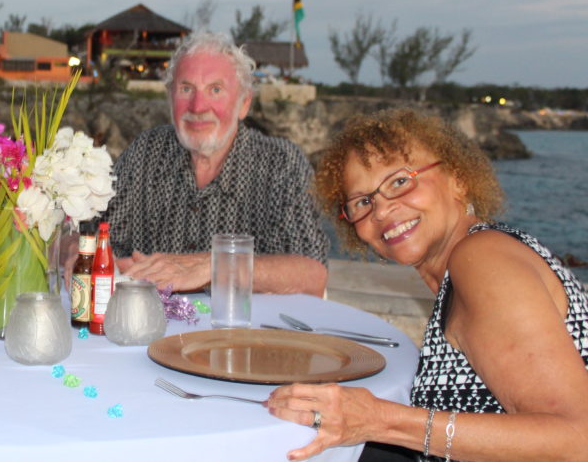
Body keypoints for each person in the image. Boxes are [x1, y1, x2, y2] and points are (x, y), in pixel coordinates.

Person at [266, 107, 588, 461]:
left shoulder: (483, 260)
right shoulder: (467, 264)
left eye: (400, 182)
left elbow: (577, 440)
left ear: (458, 179)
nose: (382, 210)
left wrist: (381, 421)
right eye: (363, 201)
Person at [106, 31, 328, 295]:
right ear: (170, 99)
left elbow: (313, 275)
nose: (198, 106)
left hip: (242, 333)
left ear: (244, 103)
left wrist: (212, 266)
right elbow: (95, 237)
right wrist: (76, 250)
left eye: (215, 90)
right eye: (186, 89)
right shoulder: (145, 151)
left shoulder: (281, 164)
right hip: (150, 328)